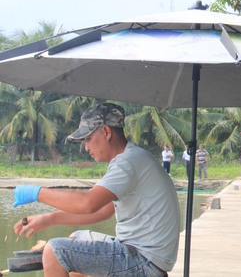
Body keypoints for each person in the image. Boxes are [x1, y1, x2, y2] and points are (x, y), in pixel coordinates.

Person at [12, 103, 180, 276]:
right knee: (76, 238)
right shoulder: (132, 157)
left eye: (88, 139)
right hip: (145, 258)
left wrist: (36, 192)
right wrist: (49, 219)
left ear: (106, 132)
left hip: (143, 263)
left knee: (55, 251)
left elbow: (87, 203)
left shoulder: (127, 163)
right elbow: (102, 211)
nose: (86, 147)